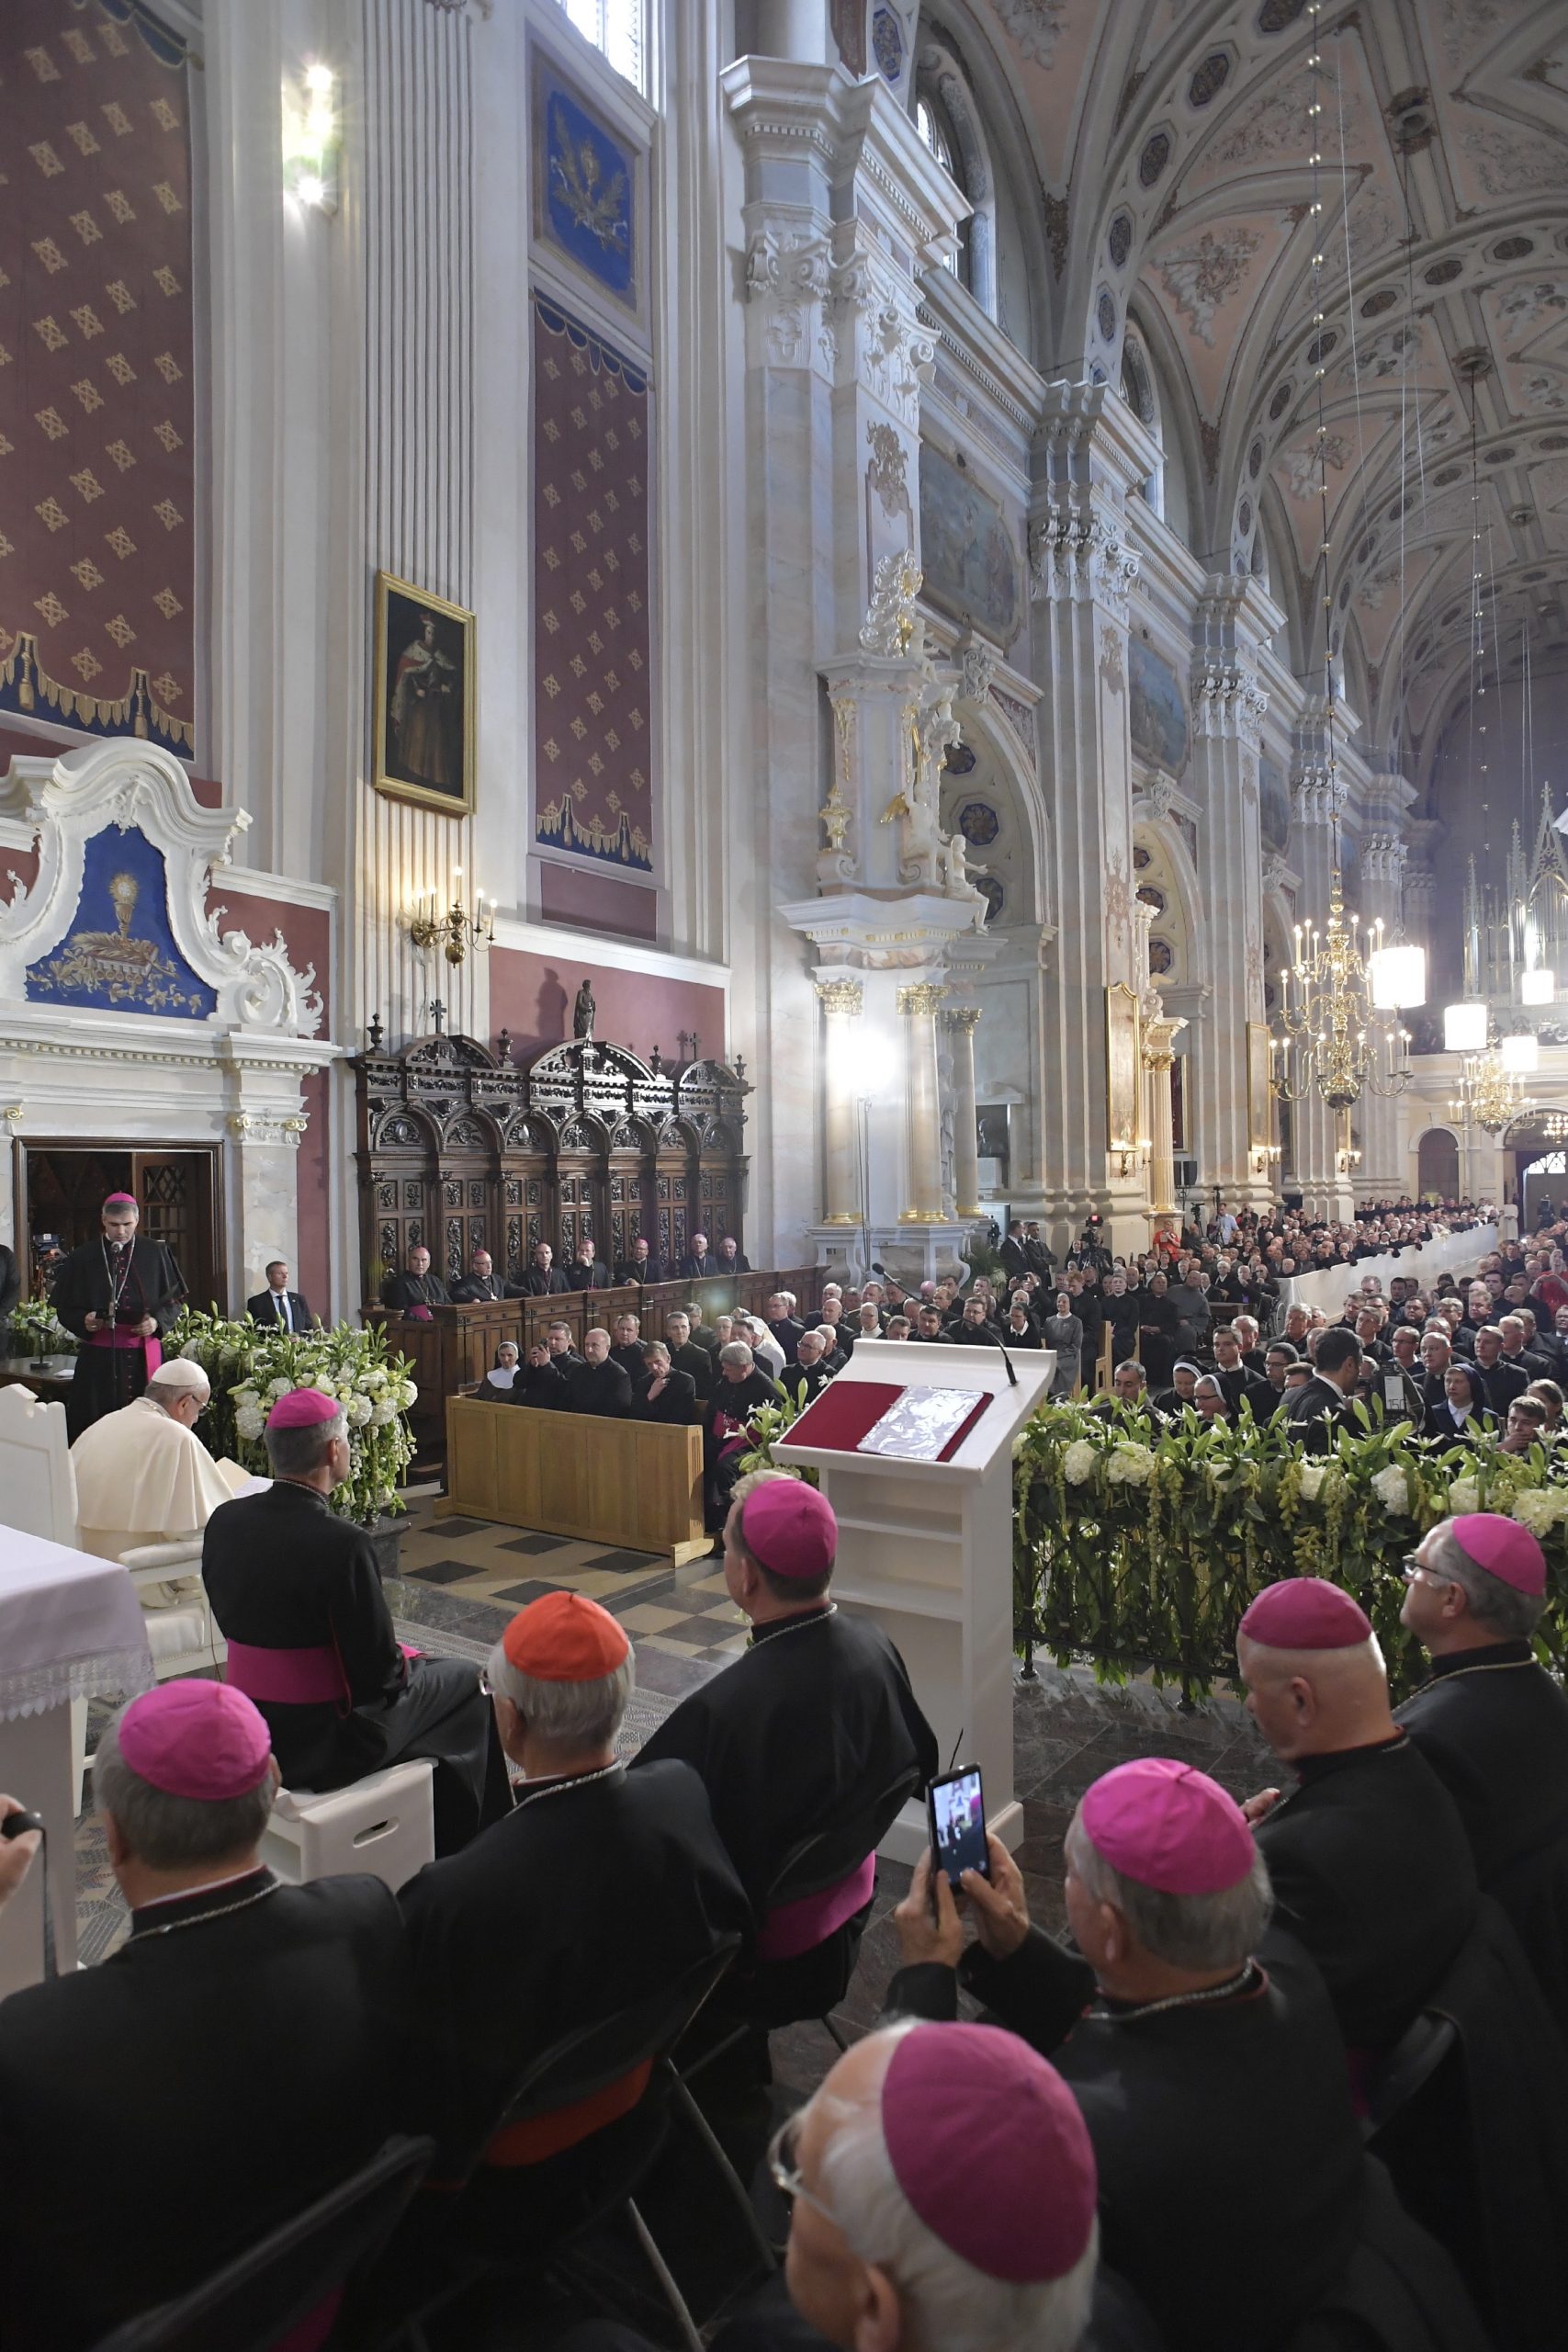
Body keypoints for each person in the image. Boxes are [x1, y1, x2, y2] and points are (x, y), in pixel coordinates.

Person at [885, 1759, 1367, 2352]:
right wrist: (1017, 1950)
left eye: (1069, 1877)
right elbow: (1141, 2024)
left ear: (1110, 1930)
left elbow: (900, 2187)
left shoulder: (1073, 2131)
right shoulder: (1297, 1976)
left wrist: (923, 1978)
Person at [0, 1682, 407, 2350]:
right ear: (271, 1786)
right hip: (323, 2298)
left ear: (113, 1837)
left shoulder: (37, 2043)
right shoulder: (365, 1915)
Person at [400, 1594, 750, 2174]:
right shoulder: (681, 1791)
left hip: (503, 2163)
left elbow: (423, 2077)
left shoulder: (457, 1893)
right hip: (638, 2102)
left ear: (509, 1720)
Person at [635, 1475, 937, 2010]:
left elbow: (642, 1836)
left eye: (726, 1547)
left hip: (759, 1957)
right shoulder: (875, 1642)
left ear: (746, 1575)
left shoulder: (725, 1710)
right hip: (848, 1904)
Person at [204, 1386, 511, 1854]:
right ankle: (477, 1844)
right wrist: (408, 1663)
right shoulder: (341, 1543)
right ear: (333, 1450)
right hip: (327, 1744)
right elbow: (378, 1680)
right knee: (470, 1682)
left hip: (250, 1722)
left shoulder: (225, 1520)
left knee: (434, 1678)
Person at [1235, 1578, 1478, 2052]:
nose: (1248, 1703)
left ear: (1301, 1699)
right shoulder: (1424, 1775)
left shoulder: (1301, 1858)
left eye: (1249, 1686)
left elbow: (1234, 2019)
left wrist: (1225, 1867)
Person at [1395, 1514, 1568, 2028]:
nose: (1406, 1578)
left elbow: (1384, 1886)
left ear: (1452, 1600)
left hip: (1448, 1998)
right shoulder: (1543, 1693)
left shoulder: (1433, 1739)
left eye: (1416, 1569)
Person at [70, 1357, 252, 1562]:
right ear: (184, 1403)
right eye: (200, 1409)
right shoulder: (176, 1436)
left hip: (85, 1561)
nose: (196, 1419)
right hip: (144, 1575)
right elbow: (189, 1531)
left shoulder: (105, 1422)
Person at [51, 1191, 184, 1439]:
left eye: (127, 1225)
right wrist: (84, 1320)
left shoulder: (155, 1253)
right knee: (96, 1422)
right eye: (114, 1225)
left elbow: (173, 1300)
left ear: (137, 1220)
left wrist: (156, 1322)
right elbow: (65, 1307)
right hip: (99, 1358)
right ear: (103, 1221)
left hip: (144, 1352)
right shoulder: (83, 1256)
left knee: (148, 1423)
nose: (120, 1232)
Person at [704, 1341, 783, 1523]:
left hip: (748, 1442)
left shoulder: (765, 1387)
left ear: (744, 1367)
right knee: (697, 1457)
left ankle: (733, 1520)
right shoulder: (727, 1379)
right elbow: (712, 1408)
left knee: (725, 1468)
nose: (724, 1373)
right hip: (720, 1437)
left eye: (728, 1369)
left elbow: (772, 1424)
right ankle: (709, 1517)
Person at [1282, 1327, 1362, 1451]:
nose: (1359, 1373)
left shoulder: (1289, 1395)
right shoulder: (1333, 1412)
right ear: (1350, 1364)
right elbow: (1331, 1467)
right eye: (1359, 1365)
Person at [1422, 1360, 1495, 1444]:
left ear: (1472, 1385)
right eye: (1448, 1381)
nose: (1452, 1386)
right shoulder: (1432, 1414)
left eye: (1458, 1381)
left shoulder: (1488, 1417)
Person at [565, 1326, 633, 1417]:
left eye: (594, 1345)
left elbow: (619, 1409)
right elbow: (569, 1401)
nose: (589, 1350)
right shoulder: (578, 1370)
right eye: (587, 1345)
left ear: (607, 1348)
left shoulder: (619, 1375)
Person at [631, 1337, 700, 1423]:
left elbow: (681, 1416)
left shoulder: (685, 1381)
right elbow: (635, 1416)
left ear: (668, 1359)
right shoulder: (643, 1382)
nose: (654, 1367)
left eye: (657, 1362)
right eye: (649, 1364)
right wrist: (650, 1396)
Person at [1135, 1272, 1180, 1388]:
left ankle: (1161, 1380)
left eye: (1163, 1283)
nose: (1161, 1285)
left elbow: (1173, 1324)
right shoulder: (1142, 1300)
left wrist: (1159, 1329)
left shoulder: (1171, 1305)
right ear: (1152, 1285)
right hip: (1142, 1332)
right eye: (1158, 1282)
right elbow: (1136, 1316)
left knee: (1165, 1342)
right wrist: (1142, 1327)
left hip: (1162, 1334)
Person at [245, 1257, 315, 1330]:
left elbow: (308, 1327)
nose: (285, 1277)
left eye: (286, 1273)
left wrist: (299, 1339)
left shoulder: (299, 1300)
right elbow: (252, 1330)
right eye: (280, 1274)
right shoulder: (256, 1302)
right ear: (270, 1277)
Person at [379, 1242, 449, 1317]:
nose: (420, 1264)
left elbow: (448, 1303)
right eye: (415, 1259)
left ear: (429, 1263)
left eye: (424, 1260)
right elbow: (402, 1311)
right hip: (417, 1325)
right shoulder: (399, 1283)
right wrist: (427, 1315)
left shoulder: (436, 1281)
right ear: (408, 1261)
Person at [664, 1307, 716, 1400]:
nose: (680, 1331)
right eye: (675, 1328)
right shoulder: (663, 1351)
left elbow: (704, 1388)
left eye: (683, 1327)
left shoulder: (701, 1355)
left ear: (689, 1330)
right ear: (668, 1332)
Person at [1043, 1291, 1083, 1394]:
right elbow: (1046, 1342)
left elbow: (1075, 1346)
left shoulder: (1076, 1322)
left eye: (1064, 1301)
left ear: (1070, 1304)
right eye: (1059, 1301)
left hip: (1068, 1357)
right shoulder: (1049, 1321)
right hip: (1051, 1354)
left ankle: (1059, 1397)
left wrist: (1058, 1355)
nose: (1061, 1304)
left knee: (1055, 1366)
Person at [451, 1248, 521, 1304]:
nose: (489, 1266)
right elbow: (457, 1295)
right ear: (475, 1266)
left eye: (490, 1262)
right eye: (485, 1263)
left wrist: (529, 1295)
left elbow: (513, 1289)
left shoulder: (497, 1279)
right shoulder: (467, 1282)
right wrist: (473, 1300)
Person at [472, 1339, 525, 1403]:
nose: (506, 1359)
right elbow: (480, 1399)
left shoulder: (523, 1378)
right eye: (502, 1355)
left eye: (510, 1355)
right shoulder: (490, 1376)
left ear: (517, 1356)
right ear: (498, 1356)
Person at [766, 1290, 806, 1364]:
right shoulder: (766, 1329)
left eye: (776, 1306)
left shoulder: (798, 1330)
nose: (772, 1309)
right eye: (770, 1306)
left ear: (787, 1308)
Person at [608, 1311, 645, 1381]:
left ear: (636, 1333)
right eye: (622, 1329)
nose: (624, 1333)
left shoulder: (642, 1354)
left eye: (629, 1330)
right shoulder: (611, 1352)